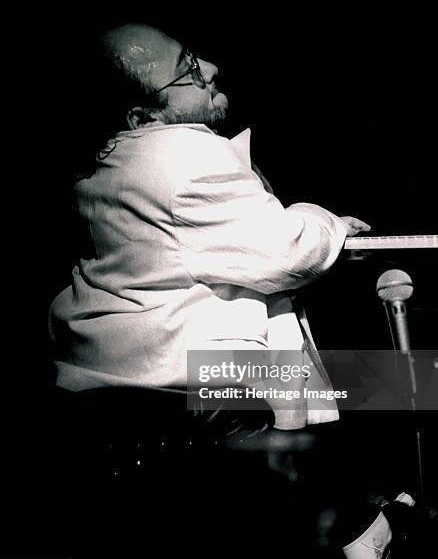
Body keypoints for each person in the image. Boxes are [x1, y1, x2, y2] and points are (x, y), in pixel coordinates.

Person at [49, 22, 370, 430]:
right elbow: (289, 252)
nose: (211, 67)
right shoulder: (183, 155)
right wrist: (325, 219)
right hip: (194, 394)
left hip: (105, 379)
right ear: (143, 116)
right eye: (190, 72)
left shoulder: (102, 165)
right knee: (397, 384)